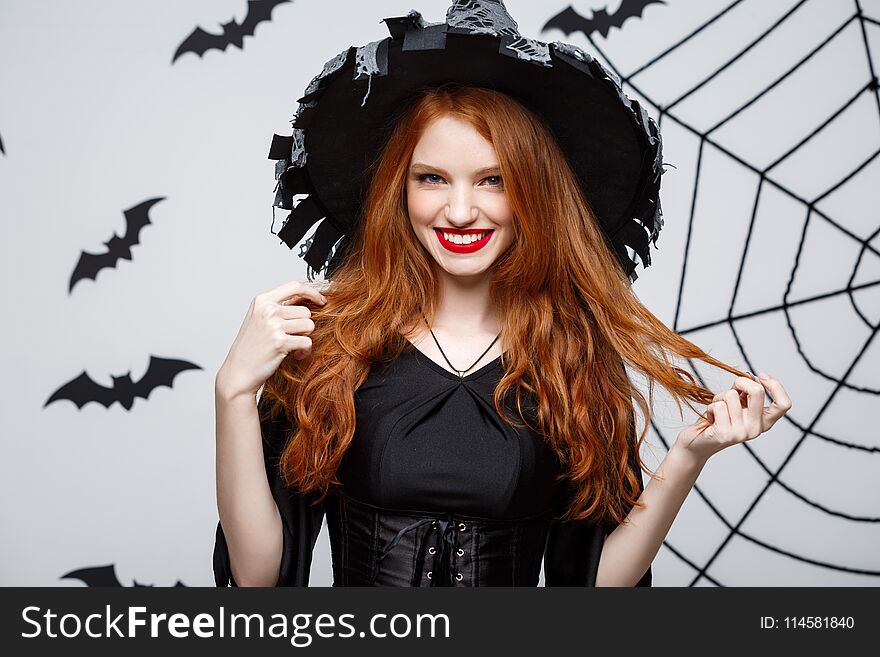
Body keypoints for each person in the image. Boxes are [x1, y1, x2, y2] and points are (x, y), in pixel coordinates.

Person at [213, 0, 791, 587]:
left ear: (534, 195)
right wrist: (233, 394)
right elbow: (259, 579)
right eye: (432, 178)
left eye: (495, 181)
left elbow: (590, 590)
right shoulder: (324, 351)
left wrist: (687, 459)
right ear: (399, 189)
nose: (460, 211)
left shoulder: (573, 361)